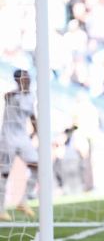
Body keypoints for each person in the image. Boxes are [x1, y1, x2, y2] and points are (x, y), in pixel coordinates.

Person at [0, 69, 38, 221]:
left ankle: (23, 200)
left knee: (38, 166)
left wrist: (36, 132)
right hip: (7, 138)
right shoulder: (12, 96)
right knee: (4, 173)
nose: (27, 81)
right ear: (18, 81)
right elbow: (7, 95)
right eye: (24, 79)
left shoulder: (30, 96)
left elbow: (32, 115)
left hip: (22, 138)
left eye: (28, 78)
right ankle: (1, 209)